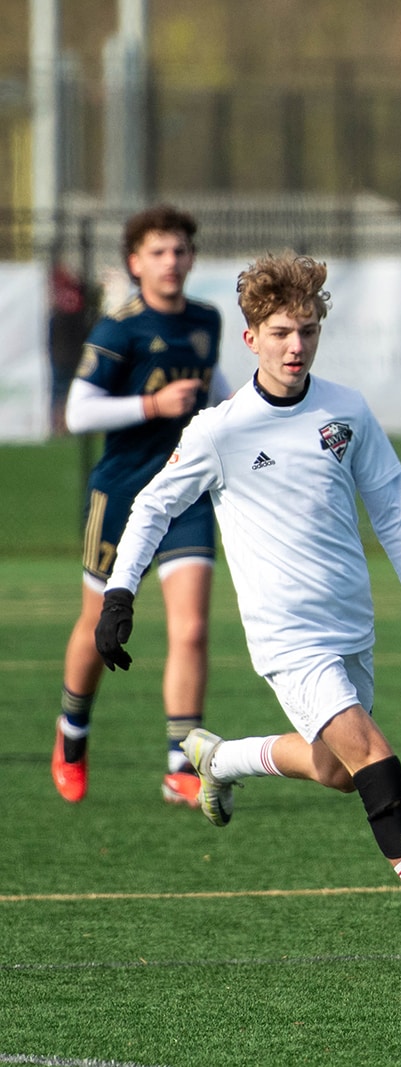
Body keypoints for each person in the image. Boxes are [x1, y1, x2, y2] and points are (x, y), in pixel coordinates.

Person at [93, 252, 401, 976]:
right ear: (251, 335)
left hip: (352, 628)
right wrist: (120, 592)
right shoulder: (220, 430)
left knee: (336, 769)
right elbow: (153, 505)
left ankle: (218, 757)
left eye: (310, 331)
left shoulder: (346, 412)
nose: (297, 346)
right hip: (288, 642)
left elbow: (393, 510)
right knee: (377, 761)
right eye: (283, 331)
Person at [53, 205, 229, 808]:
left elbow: (219, 393)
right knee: (97, 626)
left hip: (186, 493)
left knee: (193, 628)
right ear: (135, 263)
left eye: (180, 250)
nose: (171, 262)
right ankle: (72, 735)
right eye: (158, 252)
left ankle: (181, 763)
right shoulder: (118, 328)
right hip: (123, 493)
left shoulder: (207, 321)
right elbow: (78, 412)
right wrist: (153, 407)